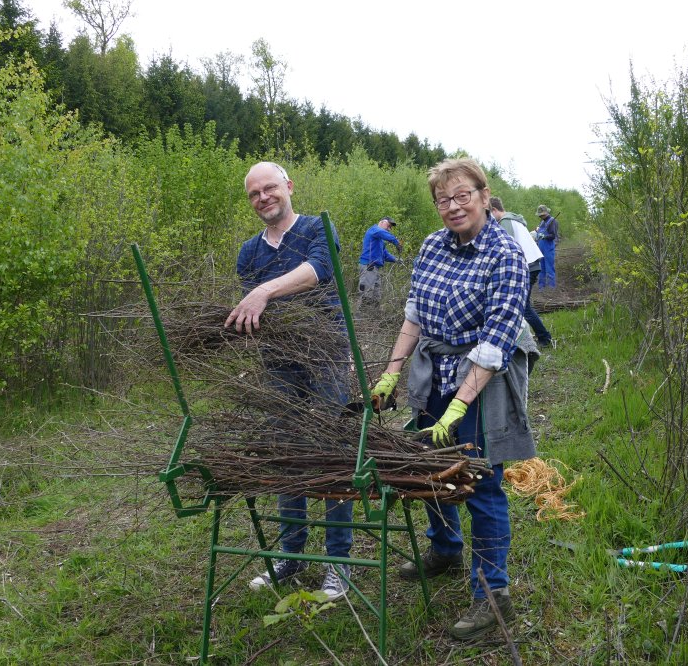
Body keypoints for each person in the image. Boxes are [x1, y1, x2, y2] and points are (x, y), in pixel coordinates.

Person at [368, 158, 536, 641]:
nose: (454, 206)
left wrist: (460, 407)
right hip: (435, 370)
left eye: (463, 195)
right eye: (444, 199)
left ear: (483, 195)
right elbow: (415, 314)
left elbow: (496, 340)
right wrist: (391, 372)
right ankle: (445, 549)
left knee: (481, 480)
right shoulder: (431, 245)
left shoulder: (506, 254)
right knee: (429, 467)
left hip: (485, 374)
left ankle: (493, 597)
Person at [225, 161, 354, 601]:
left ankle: (338, 561)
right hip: (278, 363)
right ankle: (291, 556)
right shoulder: (249, 253)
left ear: (289, 187)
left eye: (270, 188)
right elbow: (254, 315)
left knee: (334, 452)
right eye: (254, 193)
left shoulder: (319, 228)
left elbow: (319, 270)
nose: (263, 197)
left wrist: (264, 291)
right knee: (288, 454)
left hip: (328, 356)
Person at [489, 197, 553, 351]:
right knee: (522, 306)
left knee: (523, 307)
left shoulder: (505, 223)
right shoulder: (514, 219)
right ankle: (527, 338)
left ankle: (544, 338)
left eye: (488, 214)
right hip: (532, 264)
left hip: (527, 265)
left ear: (494, 210)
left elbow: (507, 248)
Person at [357, 216, 401, 306]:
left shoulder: (379, 240)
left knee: (376, 296)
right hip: (368, 266)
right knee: (366, 294)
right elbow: (383, 233)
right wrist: (397, 242)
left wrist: (396, 260)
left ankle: (373, 314)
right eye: (388, 226)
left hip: (375, 268)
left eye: (390, 227)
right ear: (381, 222)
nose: (389, 229)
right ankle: (361, 314)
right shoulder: (374, 230)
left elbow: (385, 254)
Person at [533, 204, 559, 288]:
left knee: (549, 268)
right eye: (540, 215)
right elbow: (540, 232)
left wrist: (545, 236)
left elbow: (553, 236)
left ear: (546, 213)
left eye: (541, 215)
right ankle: (541, 287)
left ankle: (551, 287)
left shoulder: (552, 221)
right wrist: (537, 232)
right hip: (540, 248)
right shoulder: (542, 222)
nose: (540, 216)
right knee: (541, 268)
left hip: (548, 248)